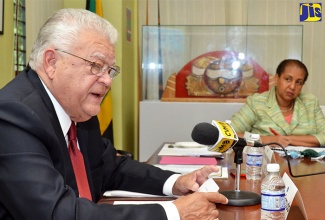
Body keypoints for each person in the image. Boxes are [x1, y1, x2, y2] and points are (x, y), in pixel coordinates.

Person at [0, 8, 227, 220]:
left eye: (110, 70)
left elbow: (111, 167)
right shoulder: (13, 116)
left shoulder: (78, 109)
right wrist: (172, 213)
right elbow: (57, 212)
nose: (107, 80)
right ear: (52, 62)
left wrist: (176, 182)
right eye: (96, 66)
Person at [230, 59, 325, 147]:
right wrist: (269, 140)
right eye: (288, 79)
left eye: (298, 82)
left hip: (307, 164)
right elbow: (230, 134)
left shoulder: (310, 102)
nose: (292, 86)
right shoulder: (257, 103)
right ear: (277, 78)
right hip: (265, 162)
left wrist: (287, 140)